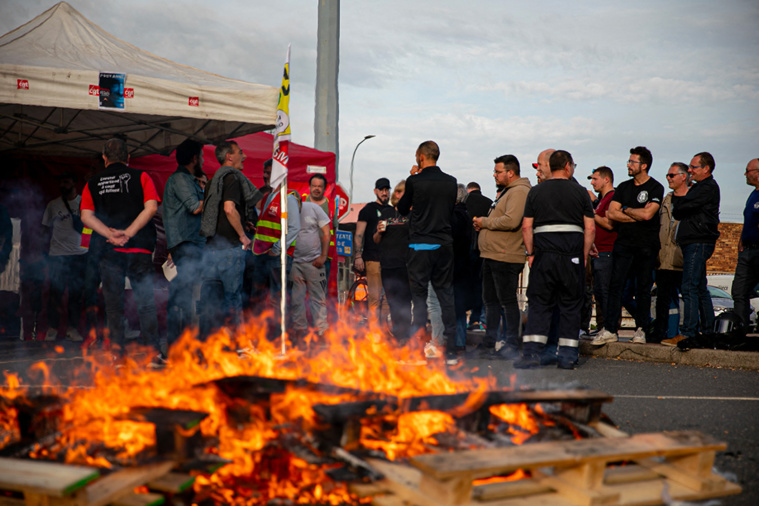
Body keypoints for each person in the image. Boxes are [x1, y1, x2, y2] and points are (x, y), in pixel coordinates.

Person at [80, 138, 164, 363]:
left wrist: (110, 235)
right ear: (128, 158)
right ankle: (153, 353)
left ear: (104, 158)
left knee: (114, 306)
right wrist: (130, 233)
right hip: (140, 250)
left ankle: (117, 355)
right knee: (146, 303)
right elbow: (152, 207)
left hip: (109, 252)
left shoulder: (93, 182)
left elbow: (86, 216)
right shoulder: (142, 176)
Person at [516, 150, 595, 369]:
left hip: (543, 257)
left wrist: (531, 253)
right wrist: (584, 254)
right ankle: (567, 356)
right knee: (570, 304)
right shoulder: (581, 193)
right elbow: (590, 227)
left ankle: (531, 354)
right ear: (568, 166)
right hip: (572, 258)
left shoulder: (536, 192)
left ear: (551, 166)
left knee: (540, 304)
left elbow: (526, 226)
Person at [592, 146, 663, 346]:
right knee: (615, 287)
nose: (628, 165)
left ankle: (641, 329)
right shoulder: (623, 187)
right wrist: (636, 214)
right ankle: (610, 329)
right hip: (623, 245)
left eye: (632, 162)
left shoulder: (655, 188)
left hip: (646, 246)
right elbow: (612, 214)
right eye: (628, 161)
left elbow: (649, 215)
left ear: (644, 165)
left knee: (642, 288)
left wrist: (626, 209)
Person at [397, 140, 459, 363]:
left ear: (421, 157)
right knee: (446, 297)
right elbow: (448, 210)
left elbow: (402, 209)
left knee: (420, 300)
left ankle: (417, 351)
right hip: (443, 245)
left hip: (420, 246)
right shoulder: (451, 182)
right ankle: (450, 351)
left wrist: (412, 177)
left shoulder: (414, 181)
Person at [472, 155, 530, 359]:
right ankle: (490, 343)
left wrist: (485, 222)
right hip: (492, 254)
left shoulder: (520, 191)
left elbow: (511, 221)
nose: (494, 175)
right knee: (490, 301)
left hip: (505, 256)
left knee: (507, 302)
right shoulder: (507, 193)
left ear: (510, 172)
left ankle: (512, 344)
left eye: (498, 172)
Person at [199, 140, 262, 330]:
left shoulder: (212, 182)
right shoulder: (232, 177)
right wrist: (242, 235)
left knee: (212, 298)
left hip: (211, 249)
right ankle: (235, 344)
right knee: (232, 298)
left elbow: (218, 213)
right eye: (240, 152)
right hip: (229, 249)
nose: (244, 156)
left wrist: (242, 222)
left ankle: (212, 343)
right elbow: (228, 209)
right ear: (229, 156)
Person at [663, 153, 721, 346]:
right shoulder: (699, 188)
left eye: (694, 167)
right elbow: (680, 208)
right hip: (693, 241)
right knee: (699, 287)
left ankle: (688, 333)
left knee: (688, 286)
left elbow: (680, 208)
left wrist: (684, 202)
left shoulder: (707, 188)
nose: (690, 170)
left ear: (706, 168)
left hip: (698, 241)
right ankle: (707, 331)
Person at [163, 139, 205, 345]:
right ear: (195, 158)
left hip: (190, 243)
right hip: (187, 244)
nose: (204, 161)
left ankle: (181, 343)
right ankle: (178, 344)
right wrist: (217, 197)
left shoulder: (187, 179)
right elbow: (195, 207)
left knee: (186, 294)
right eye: (202, 156)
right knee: (185, 296)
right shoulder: (180, 178)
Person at [41, 173, 87, 342]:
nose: (62, 184)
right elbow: (44, 229)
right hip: (57, 256)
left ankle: (72, 328)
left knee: (76, 294)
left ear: (75, 183)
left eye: (66, 181)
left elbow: (89, 227)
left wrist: (86, 247)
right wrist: (44, 251)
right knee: (56, 293)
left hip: (79, 256)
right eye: (61, 181)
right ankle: (52, 329)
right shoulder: (53, 204)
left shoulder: (84, 202)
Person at [652, 163, 689, 342]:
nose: (668, 178)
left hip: (683, 258)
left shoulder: (693, 199)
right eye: (667, 175)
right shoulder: (666, 200)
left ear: (684, 176)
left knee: (688, 297)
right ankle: (663, 333)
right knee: (663, 299)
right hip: (664, 259)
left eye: (672, 175)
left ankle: (689, 332)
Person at [373, 180, 411, 343]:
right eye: (405, 193)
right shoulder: (387, 213)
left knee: (405, 301)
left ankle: (406, 334)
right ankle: (397, 334)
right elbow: (375, 239)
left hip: (406, 265)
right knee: (393, 301)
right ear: (397, 194)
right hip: (388, 265)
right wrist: (379, 232)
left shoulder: (412, 214)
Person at [289, 200, 330, 341]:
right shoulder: (287, 210)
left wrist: (323, 256)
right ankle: (300, 332)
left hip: (314, 263)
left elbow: (326, 231)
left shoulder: (313, 208)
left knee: (318, 299)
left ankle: (321, 333)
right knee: (296, 300)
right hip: (294, 263)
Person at [354, 178, 391, 327]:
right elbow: (358, 234)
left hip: (390, 260)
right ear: (375, 191)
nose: (384, 192)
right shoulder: (368, 210)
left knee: (389, 299)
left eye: (387, 189)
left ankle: (385, 330)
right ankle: (374, 331)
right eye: (381, 189)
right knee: (375, 298)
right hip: (373, 258)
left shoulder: (392, 211)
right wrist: (358, 256)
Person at [587, 166, 617, 333]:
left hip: (606, 252)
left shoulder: (612, 198)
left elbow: (609, 224)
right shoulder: (603, 200)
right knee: (598, 292)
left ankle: (608, 327)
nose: (592, 183)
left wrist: (592, 213)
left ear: (606, 179)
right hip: (598, 252)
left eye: (595, 179)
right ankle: (602, 327)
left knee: (604, 292)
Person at [731, 158, 759, 331]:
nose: (745, 174)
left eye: (748, 171)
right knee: (739, 291)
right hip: (747, 251)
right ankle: (740, 329)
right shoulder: (752, 195)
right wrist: (741, 239)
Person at [465, 181, 493, 331]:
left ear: (468, 191)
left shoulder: (465, 202)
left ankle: (467, 320)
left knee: (466, 285)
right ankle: (481, 319)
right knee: (483, 286)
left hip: (467, 250)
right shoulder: (489, 203)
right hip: (484, 250)